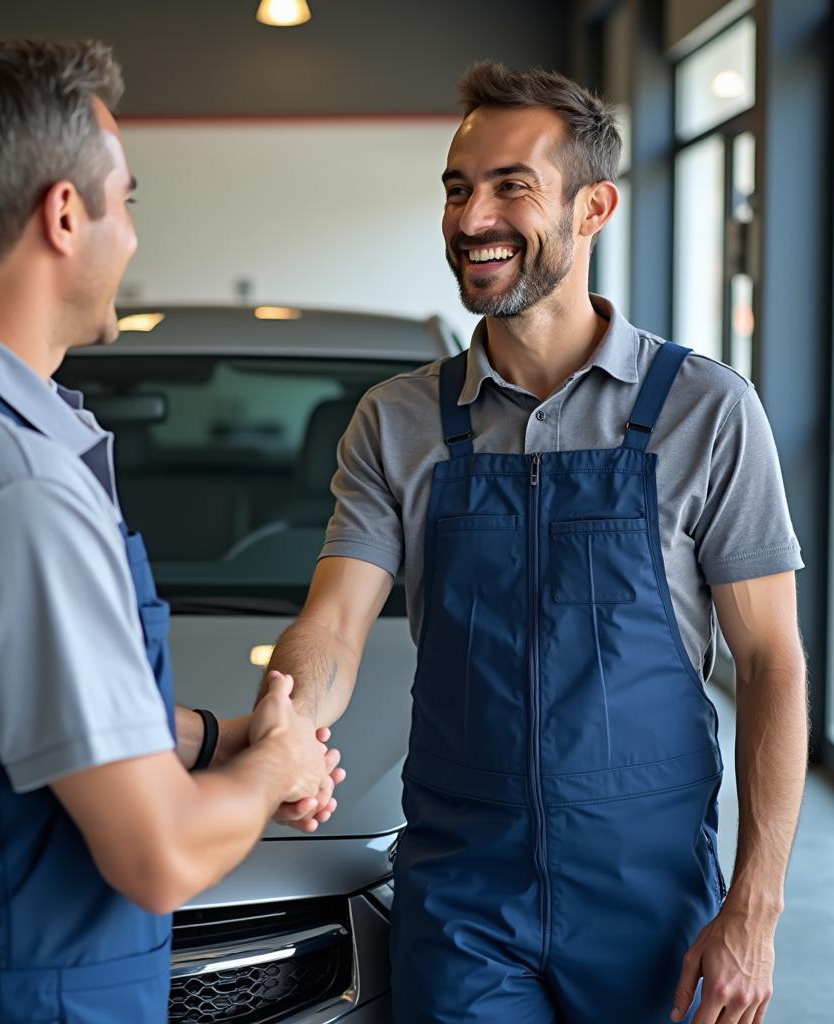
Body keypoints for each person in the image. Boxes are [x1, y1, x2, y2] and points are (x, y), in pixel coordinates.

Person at [262, 62, 808, 1023]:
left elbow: (772, 665)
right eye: (458, 188)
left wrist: (754, 907)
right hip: (465, 890)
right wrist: (288, 727)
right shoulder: (398, 421)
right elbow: (335, 626)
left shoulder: (706, 411)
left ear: (593, 207)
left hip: (650, 899)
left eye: (512, 185)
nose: (473, 218)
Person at [0, 39, 340, 1024]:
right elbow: (161, 854)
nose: (134, 238)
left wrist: (223, 737)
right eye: (126, 200)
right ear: (64, 214)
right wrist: (280, 763)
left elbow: (1, 709)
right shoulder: (4, 480)